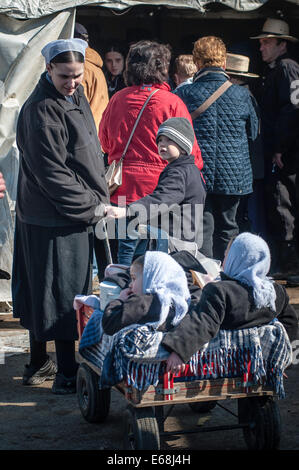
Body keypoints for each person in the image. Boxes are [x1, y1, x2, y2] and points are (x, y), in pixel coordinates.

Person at [12, 39, 109, 394]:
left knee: (53, 292)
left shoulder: (75, 96)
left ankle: (40, 363)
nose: (72, 82)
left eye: (77, 76)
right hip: (52, 218)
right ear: (48, 69)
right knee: (58, 295)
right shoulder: (40, 110)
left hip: (70, 214)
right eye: (65, 76)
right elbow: (53, 173)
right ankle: (66, 373)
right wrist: (93, 204)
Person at [99, 40, 203, 266]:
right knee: (156, 263)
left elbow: (104, 143)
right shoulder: (172, 102)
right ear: (162, 68)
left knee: (124, 263)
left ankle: (121, 299)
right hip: (160, 193)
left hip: (123, 190)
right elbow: (190, 153)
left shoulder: (117, 99)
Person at [162, 232, 299, 373]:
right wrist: (285, 359)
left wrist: (179, 351)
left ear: (236, 259)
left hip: (225, 364)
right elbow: (290, 323)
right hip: (262, 366)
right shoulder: (275, 292)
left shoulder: (220, 291)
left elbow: (202, 322)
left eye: (227, 256)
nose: (224, 259)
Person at [174, 36, 258, 263]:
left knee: (202, 228)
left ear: (197, 63)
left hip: (197, 172)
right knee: (229, 227)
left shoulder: (183, 94)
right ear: (223, 64)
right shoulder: (243, 94)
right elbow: (254, 133)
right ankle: (229, 276)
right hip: (234, 174)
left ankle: (205, 279)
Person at [105, 117, 206, 247]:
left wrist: (127, 211)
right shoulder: (190, 169)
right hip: (183, 240)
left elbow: (161, 199)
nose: (162, 144)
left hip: (173, 242)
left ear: (182, 147)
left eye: (169, 140)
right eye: (160, 140)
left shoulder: (178, 172)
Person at [250, 18, 299, 282]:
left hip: (287, 156)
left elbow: (293, 110)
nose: (261, 47)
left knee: (284, 205)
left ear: (282, 45)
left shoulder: (287, 69)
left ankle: (291, 265)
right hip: (281, 152)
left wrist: (280, 147)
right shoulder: (275, 70)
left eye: (267, 42)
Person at [226, 53, 266, 238]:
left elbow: (252, 133)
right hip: (251, 166)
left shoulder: (244, 98)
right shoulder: (249, 96)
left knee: (247, 215)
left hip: (247, 167)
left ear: (232, 78)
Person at [101, 251, 190, 335]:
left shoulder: (141, 302)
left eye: (134, 278)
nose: (130, 284)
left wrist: (119, 300)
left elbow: (109, 325)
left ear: (151, 278)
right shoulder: (177, 305)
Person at [74, 23, 109, 131]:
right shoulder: (96, 67)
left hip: (85, 134)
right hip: (98, 132)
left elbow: (76, 107)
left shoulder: (81, 68)